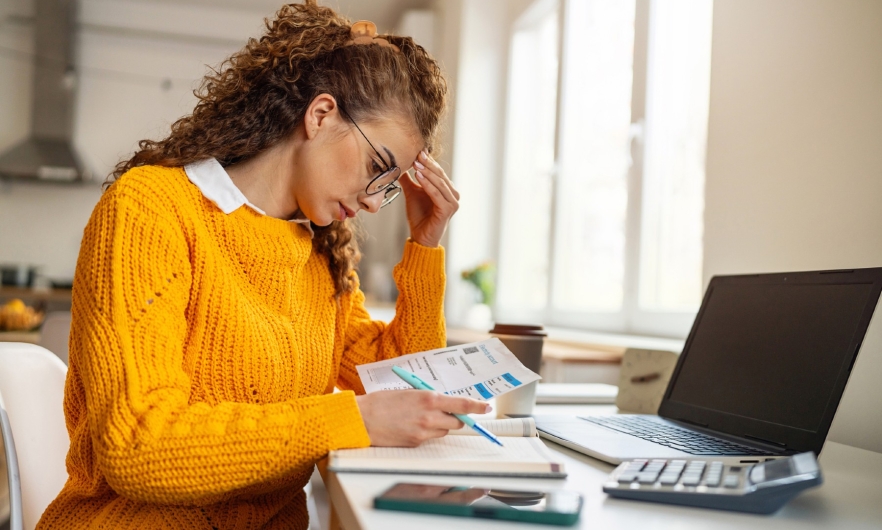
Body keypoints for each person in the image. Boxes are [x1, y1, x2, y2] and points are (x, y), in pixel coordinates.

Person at [37, 2, 488, 528]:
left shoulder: (320, 253)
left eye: (387, 188)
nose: (372, 201)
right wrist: (349, 419)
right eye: (377, 168)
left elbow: (406, 385)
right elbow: (139, 447)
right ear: (320, 115)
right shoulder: (152, 209)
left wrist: (426, 247)